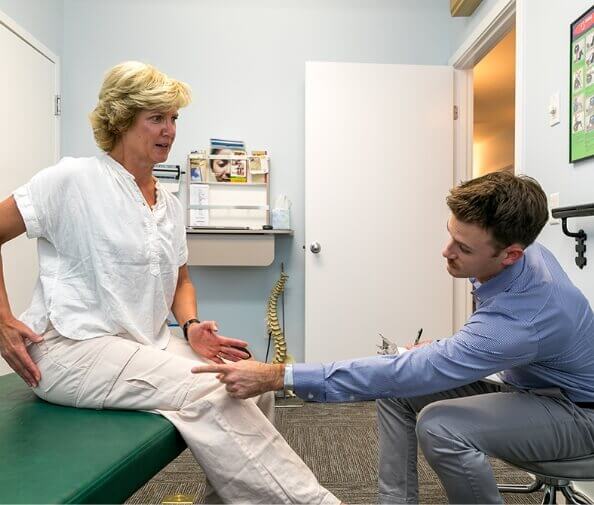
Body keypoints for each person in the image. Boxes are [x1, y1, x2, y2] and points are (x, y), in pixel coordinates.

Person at [0, 61, 338, 505]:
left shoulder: (169, 204)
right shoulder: (73, 179)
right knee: (217, 386)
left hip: (142, 344)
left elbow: (181, 280)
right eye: (156, 118)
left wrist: (193, 325)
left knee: (249, 381)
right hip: (69, 348)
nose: (170, 130)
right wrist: (3, 319)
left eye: (174, 118)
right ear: (122, 119)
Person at [195, 171, 594, 504]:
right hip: (533, 388)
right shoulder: (520, 256)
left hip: (579, 414)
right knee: (400, 391)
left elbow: (502, 332)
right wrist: (446, 351)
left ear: (510, 254)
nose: (445, 251)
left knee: (440, 424)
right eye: (449, 234)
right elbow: (493, 334)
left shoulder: (525, 312)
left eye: (463, 247)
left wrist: (278, 375)